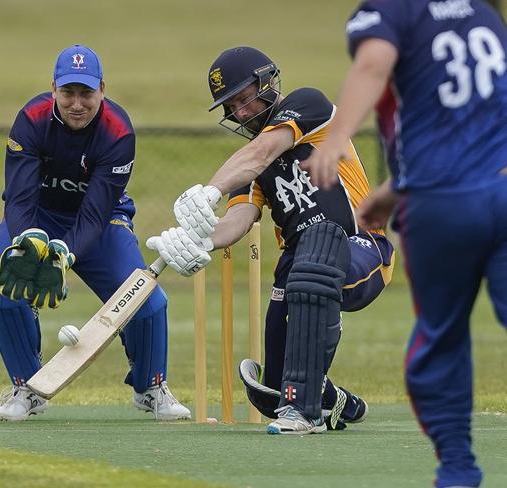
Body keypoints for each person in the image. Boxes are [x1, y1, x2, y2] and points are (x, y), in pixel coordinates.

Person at [302, 1, 507, 486]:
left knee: (440, 343)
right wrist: (392, 194)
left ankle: (458, 472)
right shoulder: (482, 11)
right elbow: (468, 123)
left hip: (443, 207)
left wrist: (335, 139)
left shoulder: (390, 10)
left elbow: (374, 63)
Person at [146, 46, 395, 434]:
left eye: (245, 99)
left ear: (267, 82)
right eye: (232, 106)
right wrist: (197, 241)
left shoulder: (308, 107)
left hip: (360, 246)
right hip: (296, 271)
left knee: (318, 252)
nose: (241, 113)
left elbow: (264, 150)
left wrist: (209, 189)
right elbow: (237, 220)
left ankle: (305, 411)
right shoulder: (248, 165)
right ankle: (332, 400)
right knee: (276, 382)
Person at [0, 44, 190, 422]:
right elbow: (18, 198)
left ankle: (150, 388)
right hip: (37, 216)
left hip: (100, 219)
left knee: (146, 300)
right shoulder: (31, 118)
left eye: (86, 94)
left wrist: (64, 254)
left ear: (102, 90)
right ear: (54, 90)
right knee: (2, 293)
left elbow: (95, 213)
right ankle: (28, 388)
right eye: (68, 93)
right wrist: (29, 242)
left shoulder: (118, 131)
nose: (77, 103)